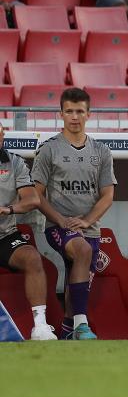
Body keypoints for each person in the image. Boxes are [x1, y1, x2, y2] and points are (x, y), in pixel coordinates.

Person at [32, 88, 116, 341]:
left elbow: (108, 195)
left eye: (80, 111)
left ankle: (69, 329)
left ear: (89, 114)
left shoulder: (101, 152)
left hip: (89, 227)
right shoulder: (49, 150)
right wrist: (61, 220)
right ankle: (82, 325)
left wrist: (87, 221)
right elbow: (37, 195)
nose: (74, 117)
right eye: (69, 111)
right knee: (81, 251)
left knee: (77, 280)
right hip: (58, 225)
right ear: (61, 114)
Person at [0, 124, 57, 340]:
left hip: (5, 235)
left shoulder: (13, 161)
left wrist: (8, 209)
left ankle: (40, 326)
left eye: (0, 134)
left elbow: (33, 199)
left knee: (32, 257)